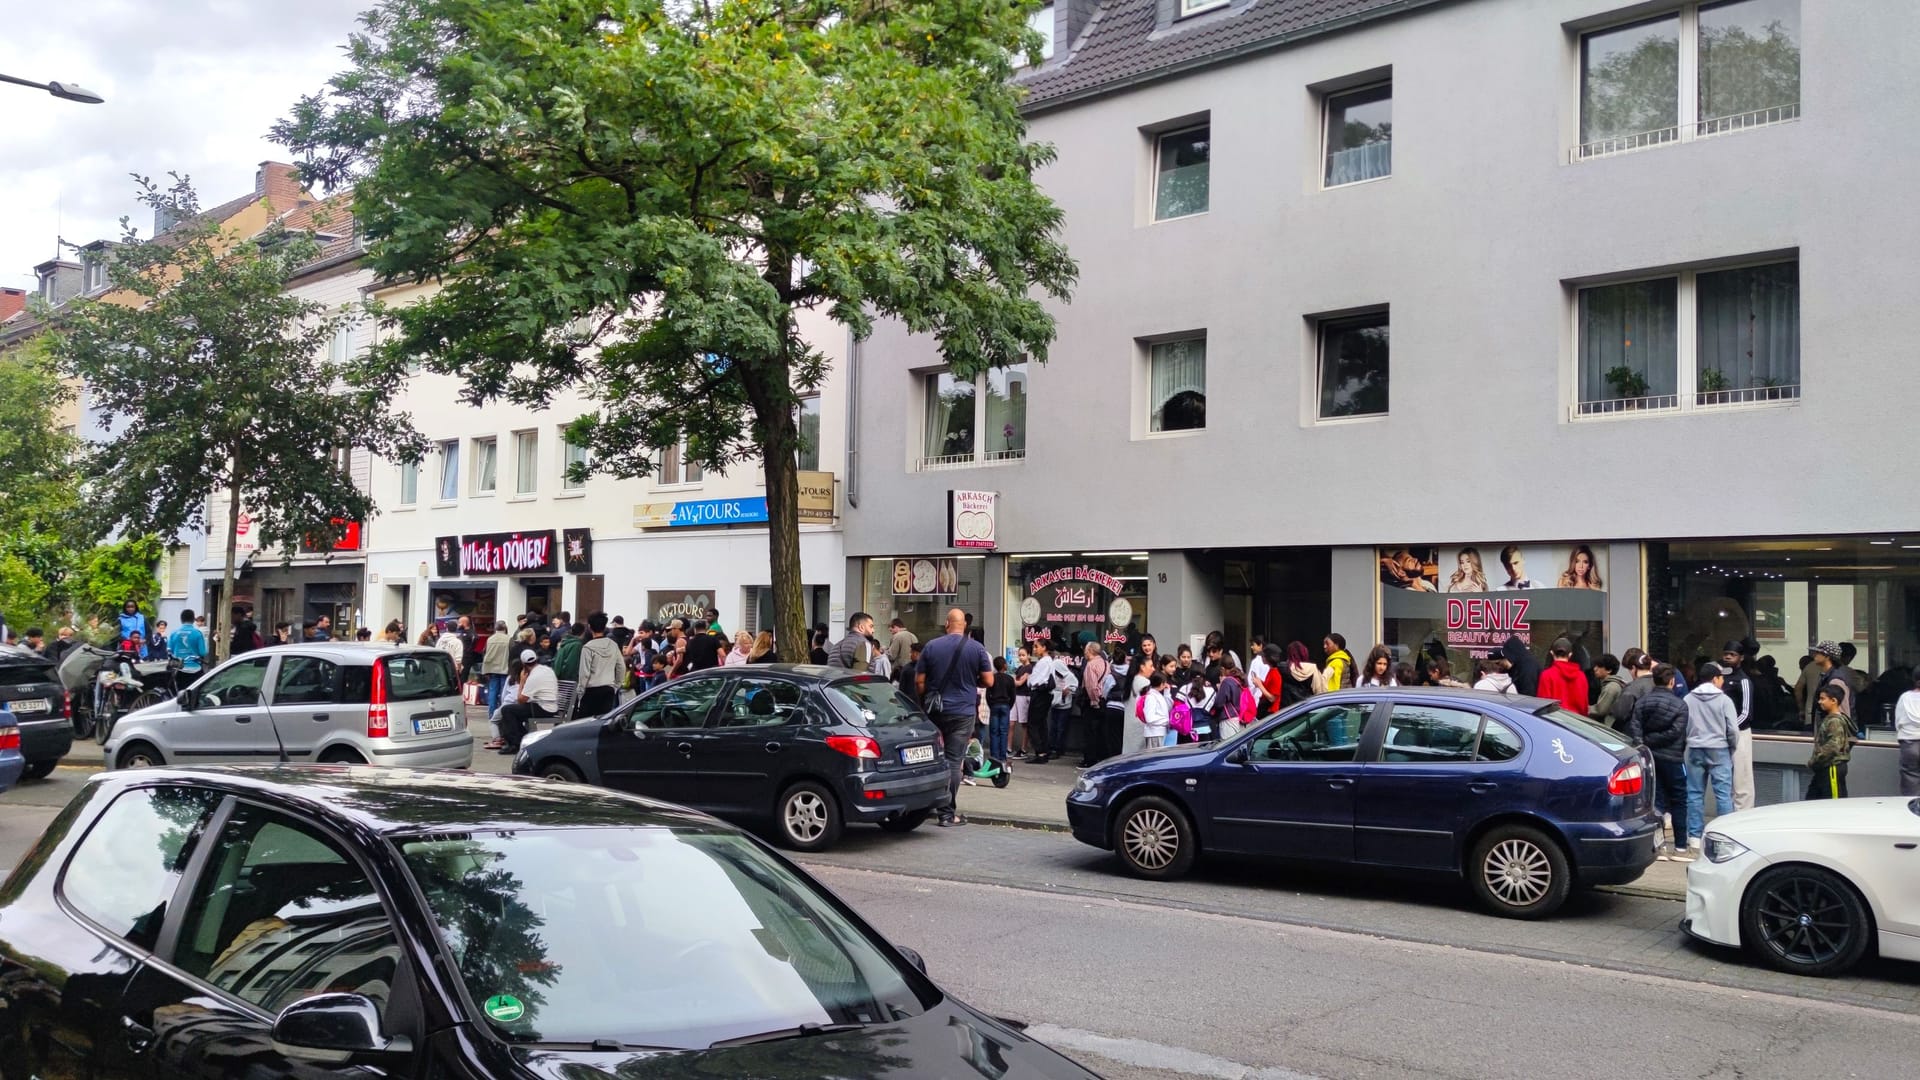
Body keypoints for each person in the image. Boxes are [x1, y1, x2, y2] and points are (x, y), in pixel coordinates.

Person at [917, 608, 993, 827]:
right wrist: (971, 683)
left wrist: (927, 696)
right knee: (953, 761)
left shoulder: (931, 646)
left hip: (936, 711)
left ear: (947, 624)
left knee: (931, 757)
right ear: (964, 625)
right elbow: (989, 681)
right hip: (963, 712)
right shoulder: (977, 649)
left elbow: (920, 682)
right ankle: (947, 814)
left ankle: (923, 804)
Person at [1627, 664, 1690, 859]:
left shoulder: (1643, 702)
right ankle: (1680, 846)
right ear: (1672, 681)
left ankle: (1659, 845)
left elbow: (1634, 728)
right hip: (1673, 758)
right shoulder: (1681, 705)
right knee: (1679, 800)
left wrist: (1644, 743)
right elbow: (1676, 732)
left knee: (1656, 800)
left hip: (1651, 757)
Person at [1680, 662, 1740, 861]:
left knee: (1694, 793)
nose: (1723, 681)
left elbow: (1683, 725)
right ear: (1715, 679)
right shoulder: (1724, 700)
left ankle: (1694, 839)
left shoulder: (1688, 698)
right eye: (1721, 677)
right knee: (1723, 794)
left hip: (1694, 748)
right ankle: (1725, 837)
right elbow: (1732, 729)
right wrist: (1732, 746)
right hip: (1719, 749)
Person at [1715, 641, 1756, 811]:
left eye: (1732, 654)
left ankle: (1743, 814)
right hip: (1719, 734)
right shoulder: (1718, 679)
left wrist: (1730, 729)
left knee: (1742, 778)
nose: (1728, 657)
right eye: (1726, 653)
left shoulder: (1744, 680)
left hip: (1740, 734)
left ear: (1741, 657)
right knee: (1724, 778)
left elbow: (1746, 714)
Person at [497, 649, 558, 753]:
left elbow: (520, 699)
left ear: (523, 664)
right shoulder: (547, 670)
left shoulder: (534, 676)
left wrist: (522, 681)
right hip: (551, 706)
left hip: (543, 708)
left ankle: (515, 744)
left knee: (507, 710)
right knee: (514, 711)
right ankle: (521, 739)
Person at [1805, 683, 1854, 800]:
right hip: (1825, 768)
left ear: (1834, 701)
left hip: (1832, 766)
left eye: (1823, 699)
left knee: (1832, 802)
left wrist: (1814, 760)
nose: (1820, 702)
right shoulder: (1831, 719)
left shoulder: (1835, 721)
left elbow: (1833, 746)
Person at [1026, 638, 1068, 764]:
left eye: (1036, 646)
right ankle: (1044, 750)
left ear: (1044, 648)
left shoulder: (1044, 662)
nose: (1034, 649)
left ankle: (1040, 752)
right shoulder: (1049, 661)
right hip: (1045, 695)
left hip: (1039, 693)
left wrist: (1030, 680)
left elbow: (1034, 680)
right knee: (1042, 723)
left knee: (1033, 724)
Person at [576, 613, 623, 718]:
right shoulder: (613, 645)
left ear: (589, 627)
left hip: (591, 690)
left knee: (585, 724)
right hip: (608, 689)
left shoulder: (587, 648)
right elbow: (621, 667)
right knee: (603, 723)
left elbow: (584, 674)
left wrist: (580, 693)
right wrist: (616, 686)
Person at [1535, 638, 1589, 713]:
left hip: (1554, 722)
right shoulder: (1581, 676)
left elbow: (1543, 706)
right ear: (1570, 655)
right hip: (1576, 722)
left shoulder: (1547, 675)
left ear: (1552, 653)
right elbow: (1584, 706)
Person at [480, 621, 511, 748]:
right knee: (504, 693)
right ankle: (502, 712)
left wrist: (485, 669)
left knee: (493, 691)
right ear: (505, 628)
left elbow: (484, 653)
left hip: (492, 668)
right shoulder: (509, 639)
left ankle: (492, 713)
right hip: (504, 668)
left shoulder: (490, 639)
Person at [1608, 648, 1655, 728]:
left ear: (1633, 668)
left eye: (1629, 669)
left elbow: (1620, 714)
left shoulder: (1632, 688)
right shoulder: (1660, 683)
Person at [984, 655, 1016, 768]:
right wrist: (1009, 705)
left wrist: (991, 705)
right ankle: (1003, 756)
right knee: (1003, 732)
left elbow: (987, 695)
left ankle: (994, 756)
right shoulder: (1010, 679)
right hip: (1005, 705)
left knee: (994, 732)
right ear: (1005, 666)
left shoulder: (993, 678)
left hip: (995, 705)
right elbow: (1013, 696)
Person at [1894, 670, 1920, 796]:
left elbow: (1898, 722)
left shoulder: (1905, 697)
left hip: (1909, 743)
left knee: (1910, 779)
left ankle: (1911, 810)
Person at [168, 610, 208, 676]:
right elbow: (202, 652)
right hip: (195, 669)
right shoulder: (198, 633)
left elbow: (169, 650)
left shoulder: (174, 633)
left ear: (181, 620)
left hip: (178, 669)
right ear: (193, 620)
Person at [1140, 673, 1172, 750]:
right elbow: (1149, 718)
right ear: (1161, 684)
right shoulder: (1151, 696)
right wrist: (1166, 721)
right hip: (1154, 733)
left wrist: (1167, 692)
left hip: (1159, 732)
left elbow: (1168, 707)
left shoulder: (1157, 695)